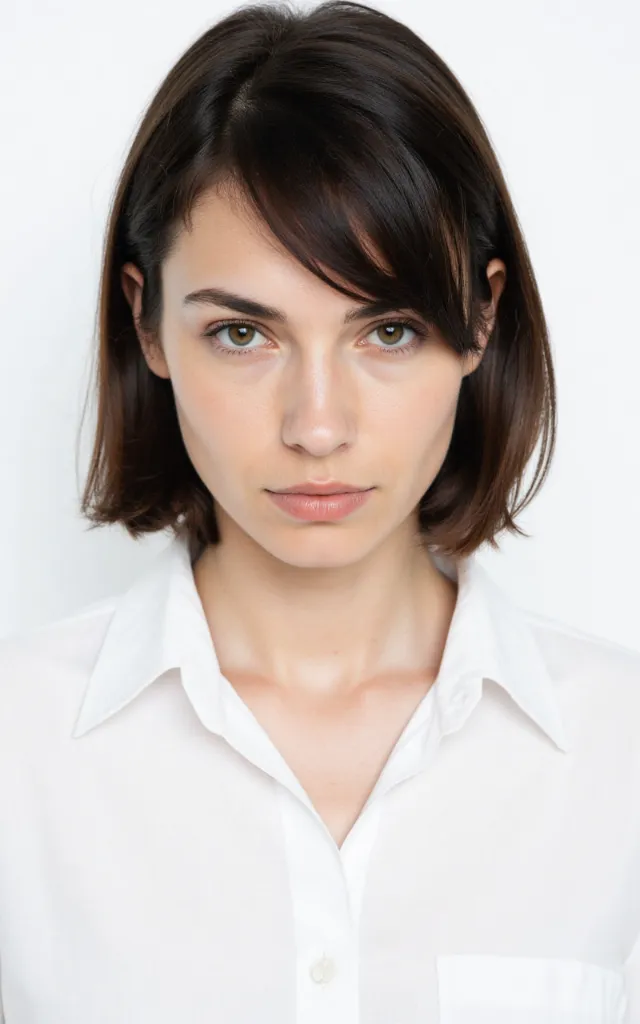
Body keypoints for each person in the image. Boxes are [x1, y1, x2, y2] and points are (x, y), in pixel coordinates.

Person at [1, 0, 639, 1020]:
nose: (316, 425)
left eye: (386, 330)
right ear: (147, 322)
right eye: (242, 335)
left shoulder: (619, 749)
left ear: (480, 316)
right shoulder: (17, 751)